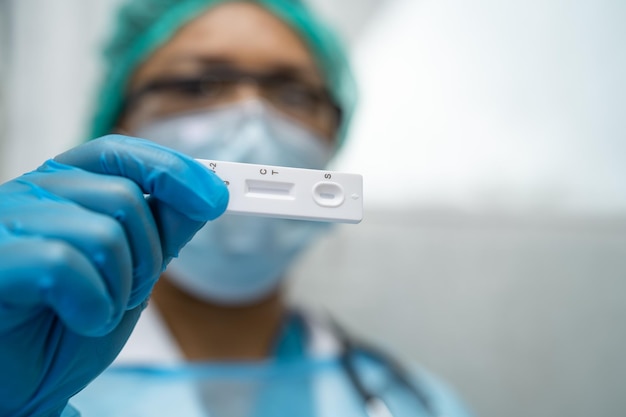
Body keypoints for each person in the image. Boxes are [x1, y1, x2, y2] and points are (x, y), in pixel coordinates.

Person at [0, 1, 473, 416]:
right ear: (120, 125)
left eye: (293, 92)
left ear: (331, 142)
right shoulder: (22, 364)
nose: (252, 118)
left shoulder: (414, 404)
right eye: (198, 84)